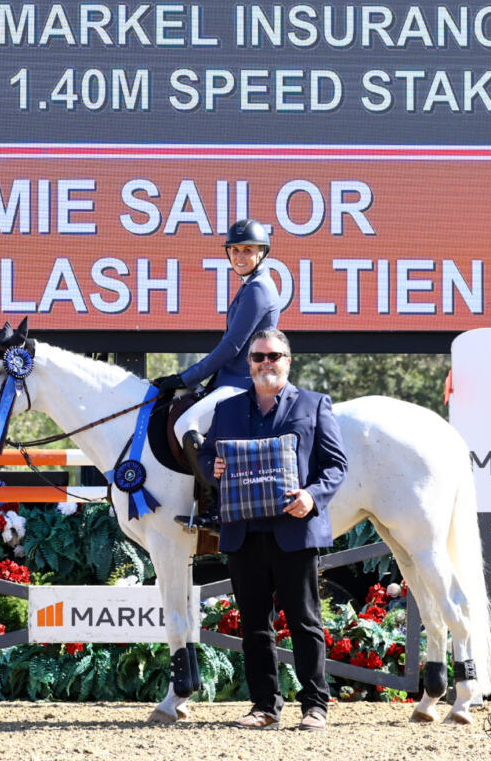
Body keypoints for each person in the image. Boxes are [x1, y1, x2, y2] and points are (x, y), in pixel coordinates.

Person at [200, 328, 347, 731]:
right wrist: (211, 468)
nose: (266, 363)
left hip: (294, 531)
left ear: (288, 360)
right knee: (254, 626)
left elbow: (336, 466)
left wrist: (313, 497)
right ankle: (264, 706)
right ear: (248, 363)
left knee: (304, 622)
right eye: (258, 357)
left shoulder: (315, 405)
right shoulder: (227, 409)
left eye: (274, 356)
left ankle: (315, 705)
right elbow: (206, 453)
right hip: (244, 533)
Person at [152, 218, 280, 526]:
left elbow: (231, 347)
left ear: (261, 253)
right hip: (231, 378)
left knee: (186, 424)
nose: (239, 257)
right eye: (234, 250)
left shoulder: (258, 289)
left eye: (247, 250)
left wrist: (185, 378)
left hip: (244, 381)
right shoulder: (252, 284)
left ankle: (219, 504)